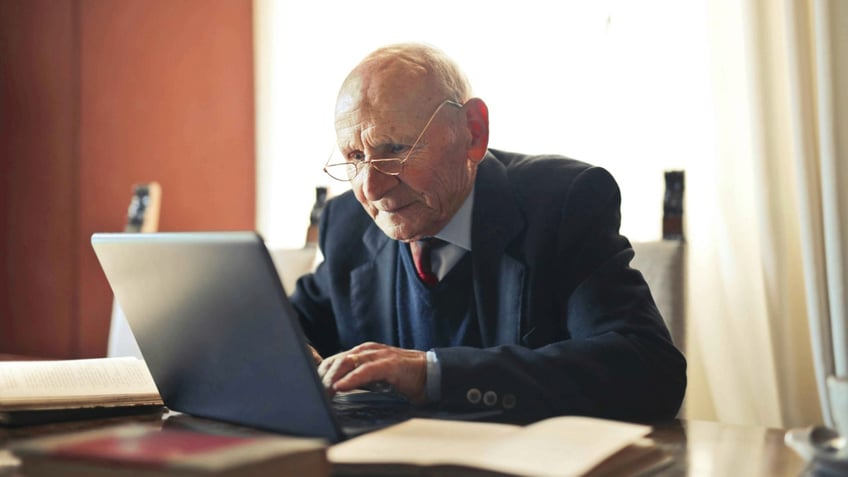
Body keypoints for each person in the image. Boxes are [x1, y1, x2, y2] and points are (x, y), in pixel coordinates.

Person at [290, 42, 686, 423]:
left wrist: (431, 373)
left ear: (473, 133)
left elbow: (648, 371)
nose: (371, 188)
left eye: (395, 149)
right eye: (356, 157)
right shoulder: (348, 224)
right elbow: (289, 325)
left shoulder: (563, 203)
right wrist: (288, 355)